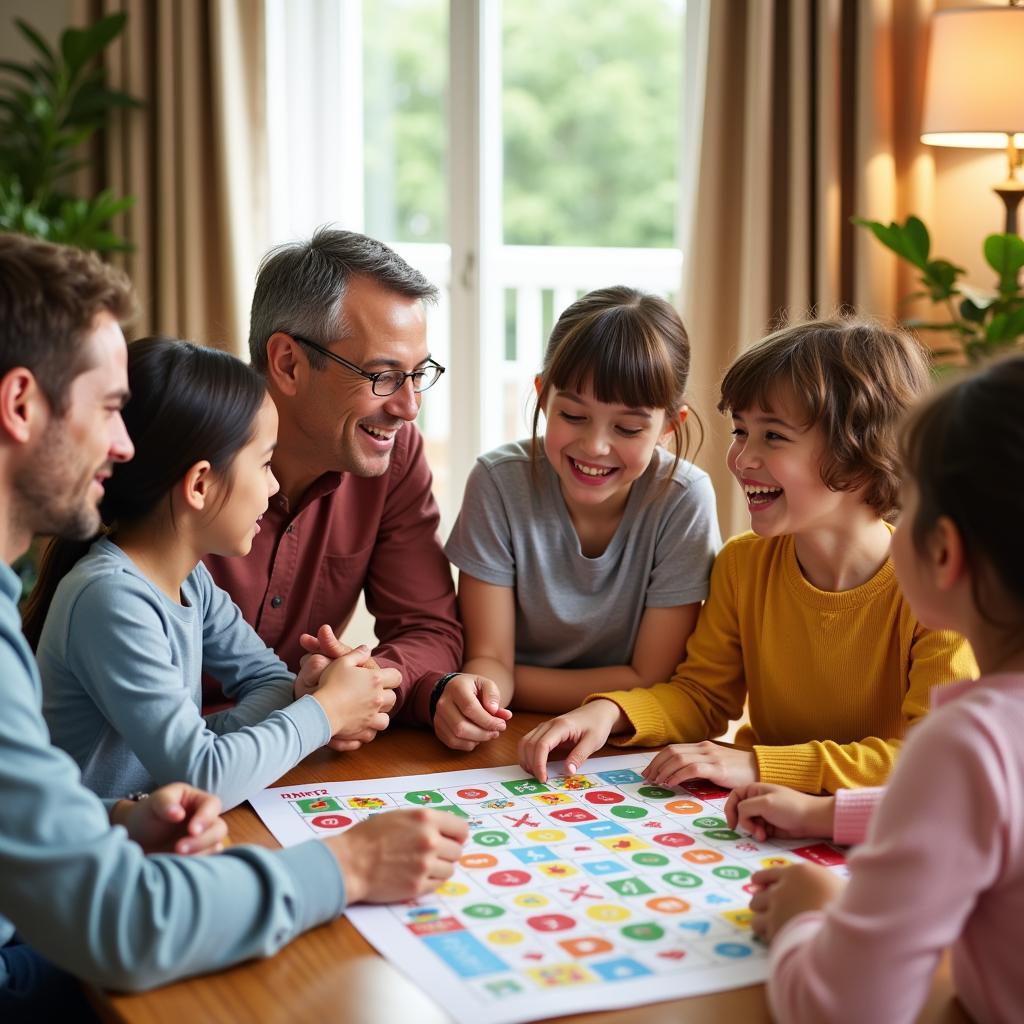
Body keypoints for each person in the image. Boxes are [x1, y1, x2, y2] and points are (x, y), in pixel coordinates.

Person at [0, 233, 467, 1019]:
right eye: (110, 409)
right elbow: (118, 920)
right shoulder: (117, 583)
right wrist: (347, 864)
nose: (124, 445)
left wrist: (118, 818)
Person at [519, 317, 977, 787]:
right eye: (741, 430)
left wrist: (763, 765)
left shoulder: (942, 587)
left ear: (857, 453)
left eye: (773, 436)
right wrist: (608, 710)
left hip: (882, 831)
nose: (742, 458)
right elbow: (702, 697)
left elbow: (936, 757)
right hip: (764, 816)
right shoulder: (744, 564)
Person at [747, 353, 1024, 1024]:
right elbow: (986, 818)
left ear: (943, 552)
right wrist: (825, 815)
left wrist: (809, 920)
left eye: (909, 501)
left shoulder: (970, 741)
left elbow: (844, 1012)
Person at [25, 337, 400, 810]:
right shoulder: (110, 599)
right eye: (265, 463)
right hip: (81, 861)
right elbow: (206, 777)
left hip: (147, 832)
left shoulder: (190, 581)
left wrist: (305, 692)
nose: (274, 485)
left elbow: (269, 685)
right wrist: (325, 711)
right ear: (200, 484)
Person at [204, 228, 462, 735]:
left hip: (299, 757)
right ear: (288, 363)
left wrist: (362, 682)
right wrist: (317, 709)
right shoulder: (179, 454)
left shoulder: (393, 454)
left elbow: (426, 627)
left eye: (419, 373)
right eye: (383, 375)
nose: (409, 408)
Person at [441, 286, 719, 751]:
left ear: (670, 426)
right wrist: (478, 697)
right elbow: (488, 656)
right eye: (572, 415)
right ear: (542, 396)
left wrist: (507, 676)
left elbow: (651, 676)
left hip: (621, 731)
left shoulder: (683, 500)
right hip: (511, 723)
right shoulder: (498, 482)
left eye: (628, 428)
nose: (595, 447)